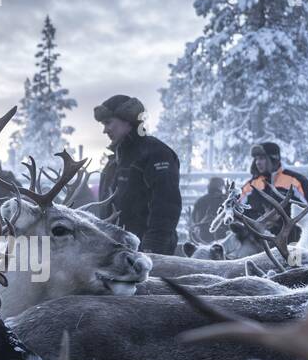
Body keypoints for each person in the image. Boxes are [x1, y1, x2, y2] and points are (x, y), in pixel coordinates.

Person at [95, 94, 181, 255]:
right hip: (119, 249)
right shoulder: (115, 160)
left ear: (126, 120)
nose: (105, 130)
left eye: (108, 122)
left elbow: (166, 206)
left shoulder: (157, 154)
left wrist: (153, 248)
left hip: (144, 251)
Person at [237, 142, 308, 230]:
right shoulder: (251, 185)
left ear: (273, 159)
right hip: (260, 239)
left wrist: (281, 219)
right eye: (256, 159)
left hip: (293, 238)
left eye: (262, 158)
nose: (257, 162)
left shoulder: (296, 181)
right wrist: (259, 221)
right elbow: (238, 211)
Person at [189, 176, 231, 243]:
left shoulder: (200, 201)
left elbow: (194, 219)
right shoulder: (225, 200)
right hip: (221, 237)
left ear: (209, 186)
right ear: (221, 187)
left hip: (202, 236)